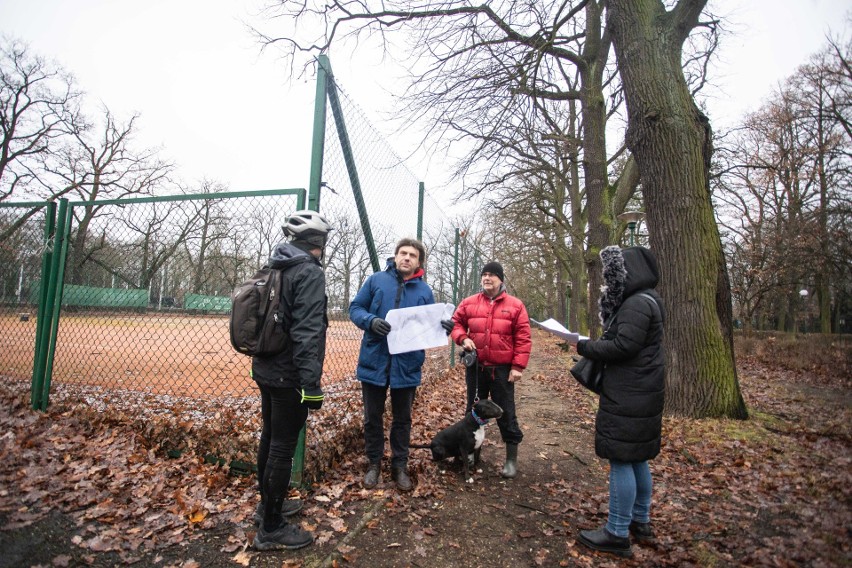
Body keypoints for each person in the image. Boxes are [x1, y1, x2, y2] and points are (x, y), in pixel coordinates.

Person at [570, 245, 666, 558]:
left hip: (629, 394)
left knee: (623, 458)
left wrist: (584, 346)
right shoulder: (648, 300)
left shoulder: (637, 303)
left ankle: (617, 531)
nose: (611, 280)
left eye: (615, 273)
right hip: (641, 392)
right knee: (637, 457)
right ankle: (641, 521)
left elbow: (623, 345)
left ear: (629, 272)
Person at [251, 209, 333, 551]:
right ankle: (271, 527)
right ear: (319, 243)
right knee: (282, 445)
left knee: (270, 438)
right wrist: (310, 384)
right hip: (289, 375)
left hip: (265, 366)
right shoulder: (308, 272)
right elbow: (308, 331)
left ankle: (267, 506)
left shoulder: (275, 265)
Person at [350, 238, 449, 491]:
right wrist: (370, 321)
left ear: (419, 262)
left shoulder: (424, 291)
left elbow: (430, 325)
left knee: (402, 419)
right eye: (402, 253)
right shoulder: (375, 281)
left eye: (412, 255)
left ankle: (399, 465)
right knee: (372, 417)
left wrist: (445, 327)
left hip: (407, 364)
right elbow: (356, 308)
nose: (406, 257)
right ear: (395, 256)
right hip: (375, 360)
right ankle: (373, 464)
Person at [449, 261, 531, 479]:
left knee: (505, 412)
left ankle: (511, 460)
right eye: (484, 274)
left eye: (492, 275)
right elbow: (455, 324)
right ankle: (469, 455)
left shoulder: (515, 305)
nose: (487, 278)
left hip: (503, 370)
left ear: (500, 279)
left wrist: (517, 366)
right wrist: (463, 338)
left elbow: (523, 337)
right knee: (472, 412)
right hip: (476, 369)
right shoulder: (468, 303)